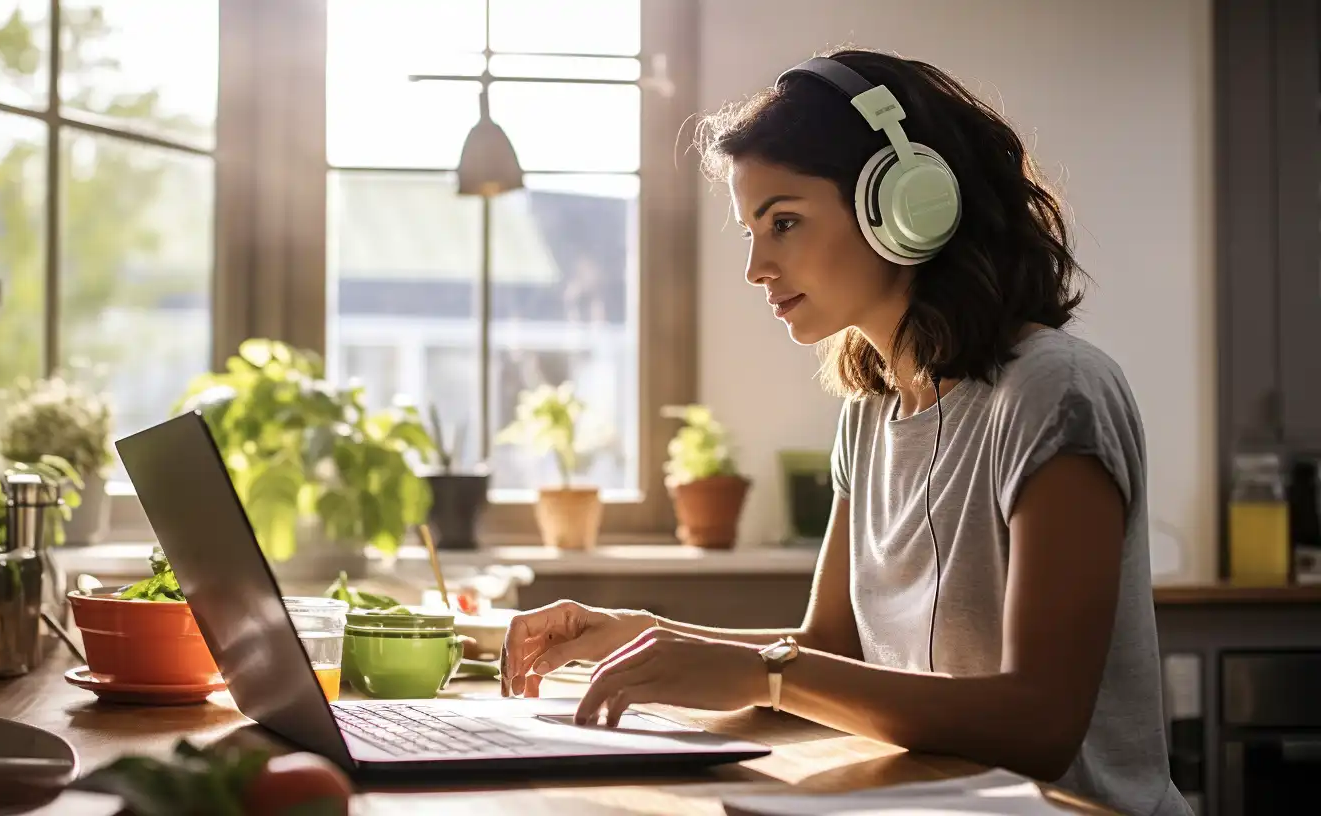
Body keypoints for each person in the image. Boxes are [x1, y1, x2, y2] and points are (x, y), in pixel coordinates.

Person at [499, 48, 1191, 816]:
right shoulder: (870, 414)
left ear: (904, 206)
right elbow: (830, 649)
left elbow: (1039, 724)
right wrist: (636, 633)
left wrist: (766, 671)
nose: (757, 267)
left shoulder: (1055, 391)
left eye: (784, 222)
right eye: (751, 230)